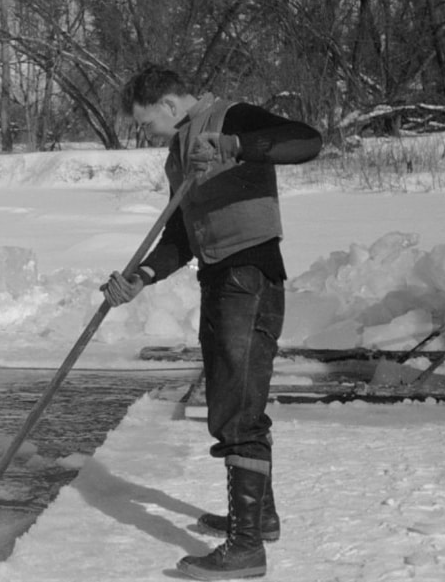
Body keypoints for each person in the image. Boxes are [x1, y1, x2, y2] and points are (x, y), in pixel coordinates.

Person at [102, 64, 322, 580]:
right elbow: (181, 230)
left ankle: (245, 549)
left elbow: (307, 141)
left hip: (249, 276)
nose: (143, 131)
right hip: (220, 279)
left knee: (236, 409)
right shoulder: (179, 150)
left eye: (144, 121)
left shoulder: (231, 118)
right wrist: (145, 275)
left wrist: (237, 146)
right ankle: (258, 519)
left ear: (170, 106)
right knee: (236, 398)